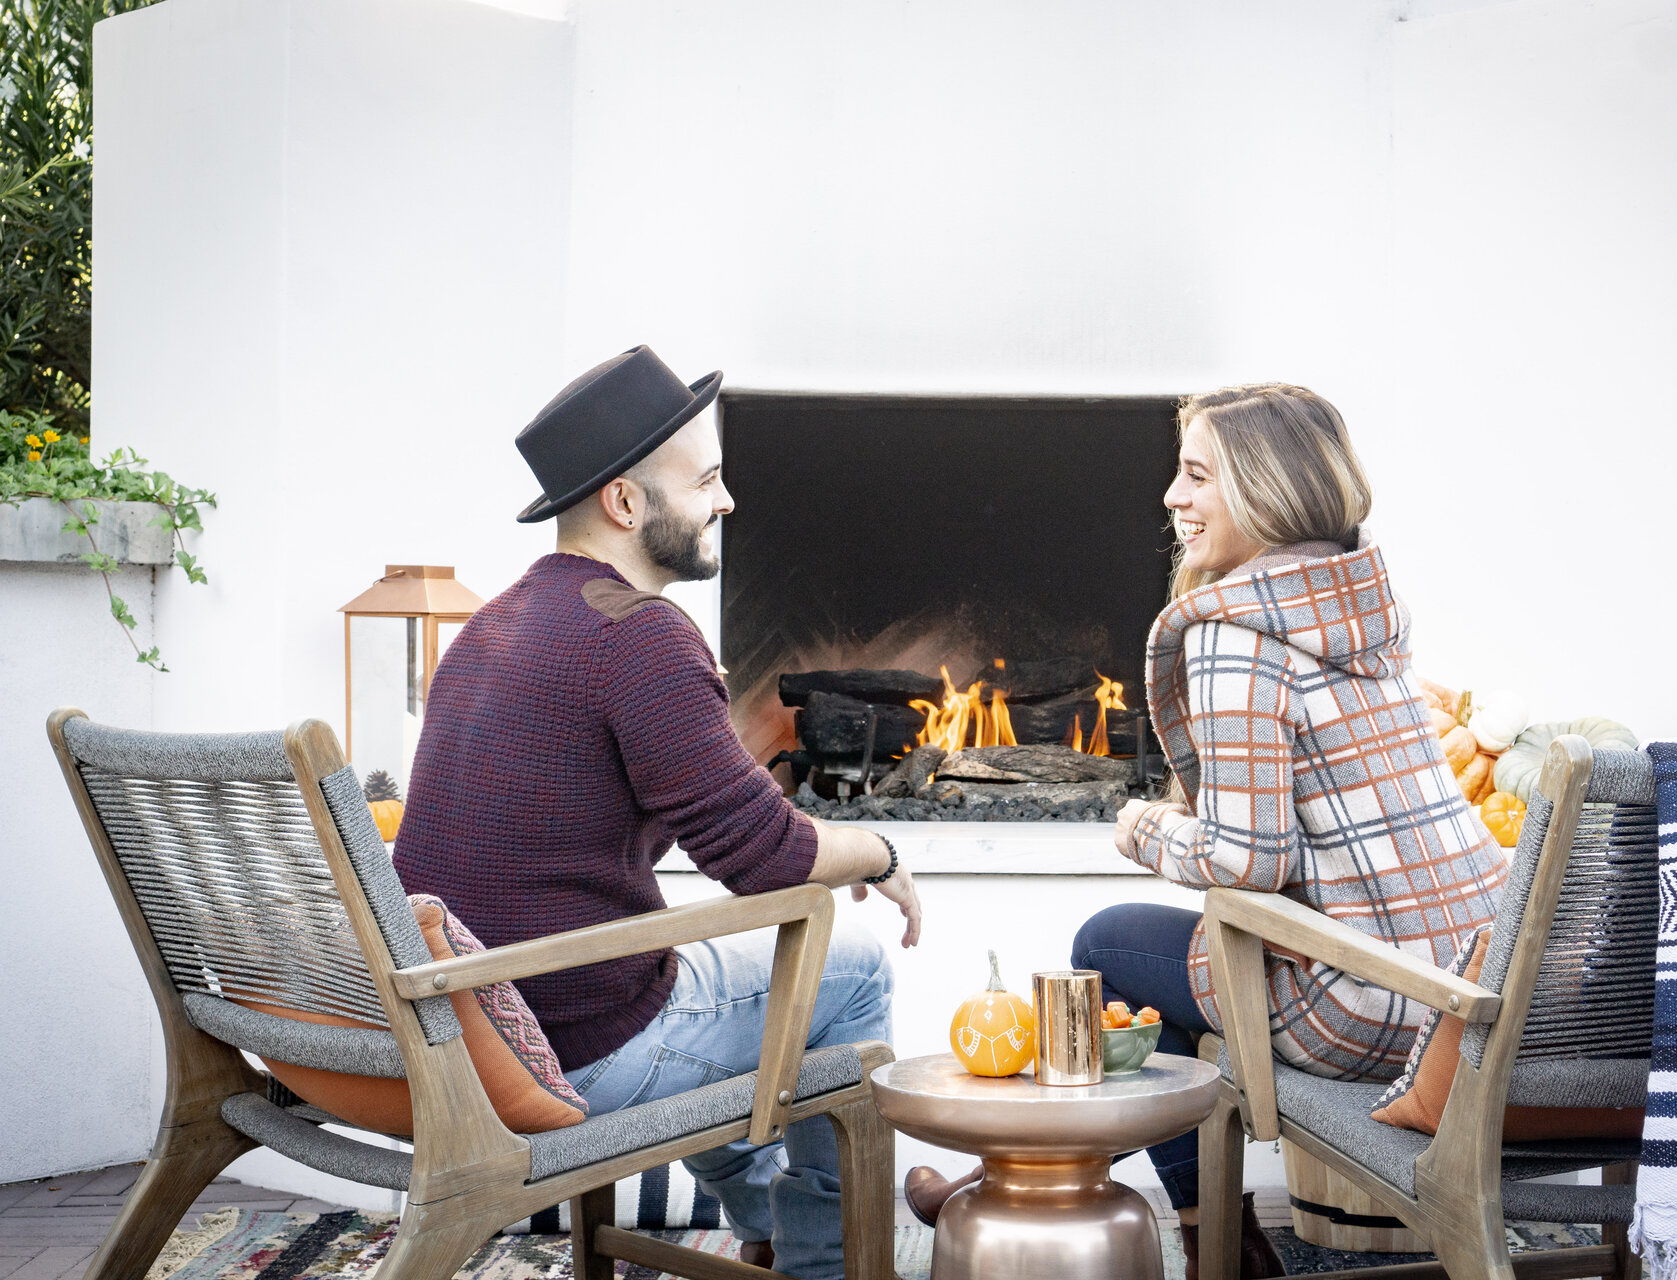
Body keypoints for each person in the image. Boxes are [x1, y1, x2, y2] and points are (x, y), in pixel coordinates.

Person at [905, 383, 1509, 1280]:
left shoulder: (1236, 635)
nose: (1170, 498)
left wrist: (1143, 826)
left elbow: (1249, 861)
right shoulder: (1359, 609)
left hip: (1370, 1008)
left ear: (1263, 491)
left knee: (1109, 944)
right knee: (1172, 980)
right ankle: (1166, 1221)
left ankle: (1196, 1233)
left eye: (1195, 475)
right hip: (1472, 995)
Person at [394, 345, 922, 1280]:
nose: (727, 502)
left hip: (465, 1029)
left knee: (726, 987)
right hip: (579, 1046)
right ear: (627, 505)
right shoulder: (635, 634)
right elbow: (766, 857)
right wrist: (878, 850)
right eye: (709, 481)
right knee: (855, 968)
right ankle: (822, 1264)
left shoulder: (491, 626)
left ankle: (768, 1221)